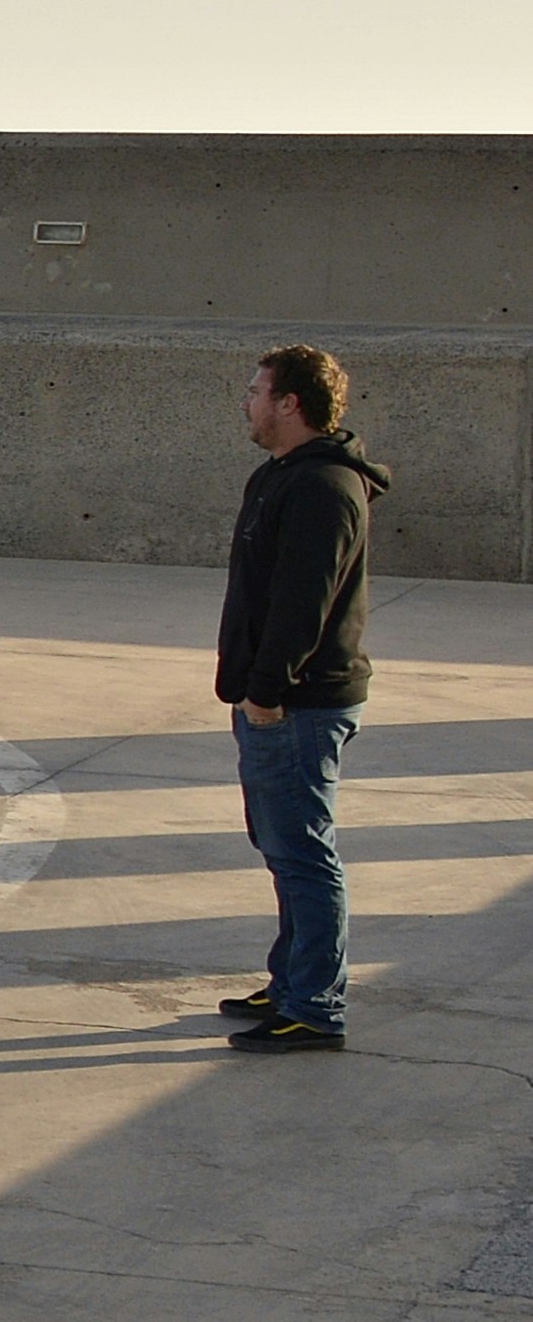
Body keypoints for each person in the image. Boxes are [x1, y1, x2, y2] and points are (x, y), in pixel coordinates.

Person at [216, 344, 387, 1052]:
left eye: (257, 391)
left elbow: (301, 604)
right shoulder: (279, 476)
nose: (246, 402)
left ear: (290, 403)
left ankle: (314, 1006)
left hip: (297, 703)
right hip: (273, 698)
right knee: (282, 847)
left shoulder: (323, 487)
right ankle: (290, 980)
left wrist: (266, 691)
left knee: (303, 854)